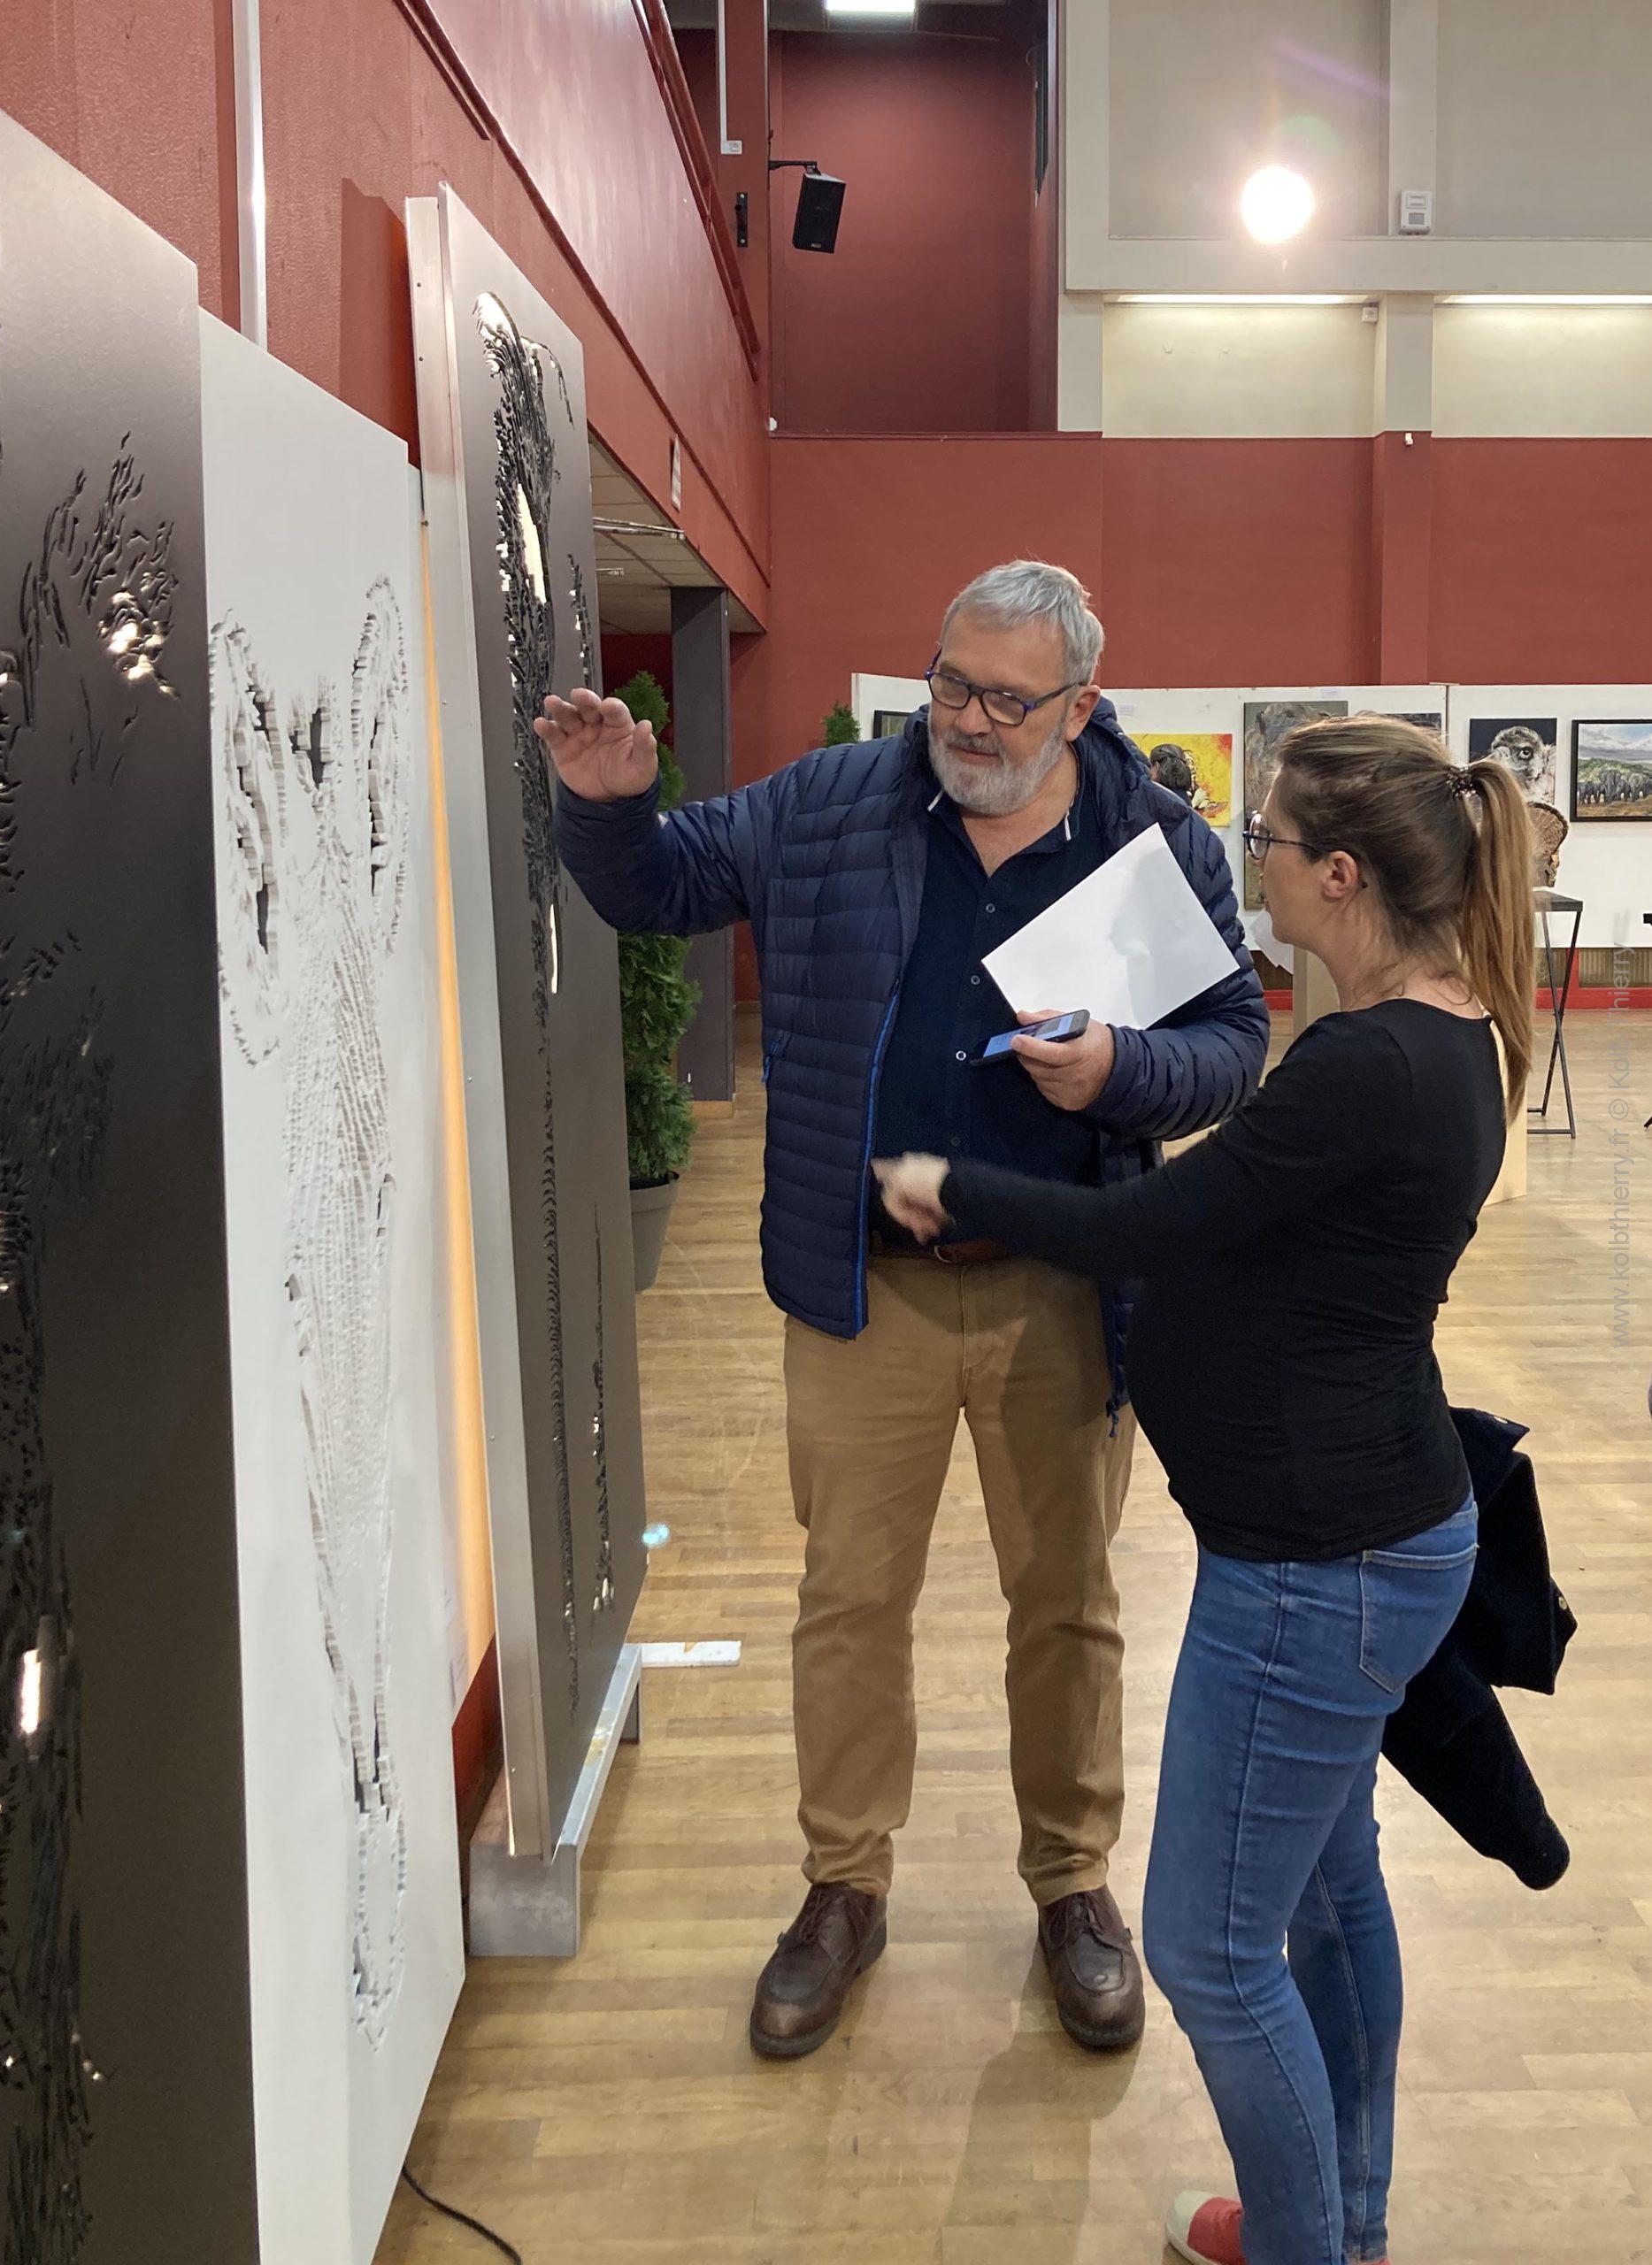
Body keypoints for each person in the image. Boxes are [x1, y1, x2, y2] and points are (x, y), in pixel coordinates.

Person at [538, 561, 1267, 2061]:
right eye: (953, 681)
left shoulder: (1153, 841)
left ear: (1081, 700)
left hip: (1063, 1289)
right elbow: (658, 889)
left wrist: (1127, 1067)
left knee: (1065, 1607)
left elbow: (1236, 1045)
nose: (972, 719)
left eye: (1011, 697)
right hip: (861, 1291)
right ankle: (842, 1891)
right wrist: (609, 804)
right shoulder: (828, 802)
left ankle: (1072, 1888)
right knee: (848, 1603)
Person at [875, 718, 1533, 2265]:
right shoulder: (1445, 1033)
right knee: (1325, 1889)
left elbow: (1155, 1228)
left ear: (1345, 876)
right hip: (1372, 1538)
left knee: (1212, 1950)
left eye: (1276, 849)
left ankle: (1314, 2248)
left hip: (1319, 1566)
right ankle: (1340, 2226)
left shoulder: (1365, 1067)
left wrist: (949, 1185)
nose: (1257, 872)